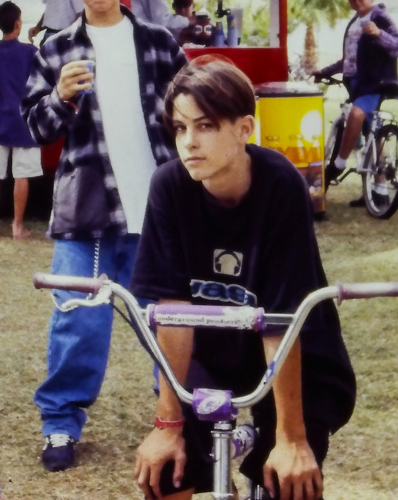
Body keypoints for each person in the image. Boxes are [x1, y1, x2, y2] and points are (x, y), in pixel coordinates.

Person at [130, 56, 355, 500]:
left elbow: (281, 321)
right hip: (211, 352)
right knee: (164, 475)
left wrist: (290, 438)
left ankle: (264, 445)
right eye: (180, 128)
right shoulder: (169, 186)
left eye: (206, 126)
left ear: (244, 129)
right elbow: (172, 313)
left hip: (295, 352)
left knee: (290, 482)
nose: (189, 142)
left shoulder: (280, 184)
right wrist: (168, 425)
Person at [22, 0, 187, 471]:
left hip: (159, 212)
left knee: (169, 321)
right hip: (87, 213)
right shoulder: (54, 49)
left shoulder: (160, 43)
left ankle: (181, 419)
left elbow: (194, 110)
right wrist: (60, 98)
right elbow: (35, 128)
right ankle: (60, 427)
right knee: (76, 324)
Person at [316, 0, 398, 205]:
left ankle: (338, 163)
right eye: (352, 0)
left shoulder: (379, 18)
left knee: (356, 114)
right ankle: (380, 192)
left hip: (374, 84)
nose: (357, 3)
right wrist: (324, 71)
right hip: (355, 85)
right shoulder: (355, 22)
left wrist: (379, 34)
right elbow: (349, 59)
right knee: (370, 134)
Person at [0, 1, 41, 240]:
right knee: (21, 175)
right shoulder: (30, 52)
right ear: (18, 24)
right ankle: (17, 226)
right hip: (24, 120)